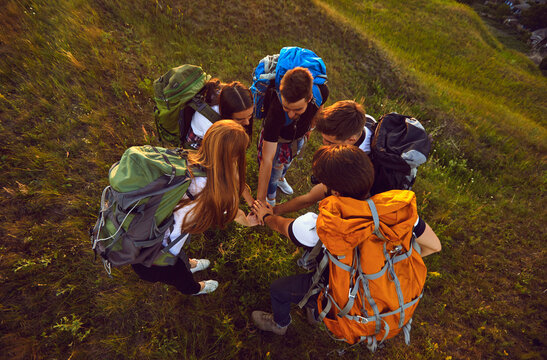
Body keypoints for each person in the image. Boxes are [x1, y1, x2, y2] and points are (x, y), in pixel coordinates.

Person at [250, 144, 441, 335]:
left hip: (342, 294)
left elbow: (281, 226)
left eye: (322, 182)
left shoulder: (318, 227)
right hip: (376, 295)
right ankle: (315, 313)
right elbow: (434, 246)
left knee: (278, 289)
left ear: (335, 192)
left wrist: (266, 216)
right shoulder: (396, 211)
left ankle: (280, 324)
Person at [132, 120, 257, 296]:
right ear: (233, 158)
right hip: (153, 256)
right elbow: (235, 215)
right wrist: (249, 221)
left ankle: (187, 263)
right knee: (180, 277)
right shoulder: (213, 193)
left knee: (179, 256)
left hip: (147, 232)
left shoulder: (186, 160)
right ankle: (195, 289)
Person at [273, 100, 375, 215]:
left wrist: (273, 212)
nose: (323, 143)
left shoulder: (351, 163)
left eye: (330, 142)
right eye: (323, 138)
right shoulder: (364, 121)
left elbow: (310, 199)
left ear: (351, 140)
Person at [256, 67, 329, 206]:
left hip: (298, 138)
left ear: (309, 98)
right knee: (273, 171)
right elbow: (267, 159)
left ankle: (281, 179)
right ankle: (270, 199)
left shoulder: (322, 91)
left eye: (297, 109)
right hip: (279, 140)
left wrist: (310, 128)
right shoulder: (275, 112)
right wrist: (260, 202)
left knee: (288, 162)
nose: (290, 114)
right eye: (286, 108)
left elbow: (320, 108)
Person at [186, 81, 255, 205]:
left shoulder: (233, 99)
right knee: (217, 178)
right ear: (227, 115)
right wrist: (248, 198)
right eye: (240, 120)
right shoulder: (211, 125)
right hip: (197, 145)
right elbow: (229, 162)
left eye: (250, 116)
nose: (248, 123)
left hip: (212, 137)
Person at [186, 81, 254, 149]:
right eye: (239, 119)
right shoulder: (210, 126)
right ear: (226, 113)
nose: (247, 122)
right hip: (200, 145)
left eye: (250, 116)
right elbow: (219, 156)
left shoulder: (230, 96)